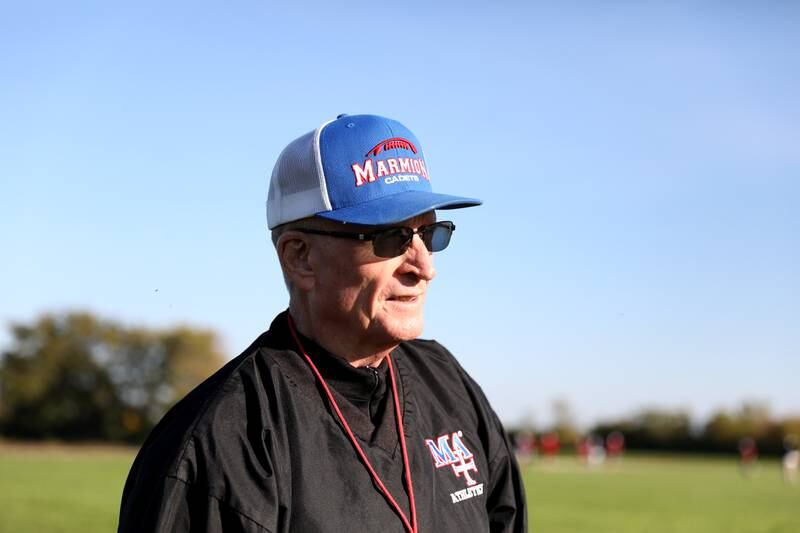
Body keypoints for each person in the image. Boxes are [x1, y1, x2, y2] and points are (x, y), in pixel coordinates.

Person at [118, 114, 527, 533]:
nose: (424, 266)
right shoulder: (221, 440)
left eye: (431, 234)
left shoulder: (447, 383)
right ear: (300, 257)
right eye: (392, 237)